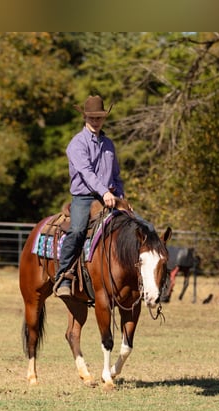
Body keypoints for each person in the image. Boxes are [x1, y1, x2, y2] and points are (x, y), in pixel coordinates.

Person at [54, 95, 125, 298]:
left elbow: (117, 175)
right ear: (85, 118)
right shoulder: (76, 144)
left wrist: (121, 197)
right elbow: (86, 173)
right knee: (77, 231)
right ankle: (63, 277)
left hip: (109, 197)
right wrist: (104, 191)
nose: (96, 121)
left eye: (99, 118)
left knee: (133, 227)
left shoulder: (109, 144)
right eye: (92, 118)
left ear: (104, 118)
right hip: (84, 198)